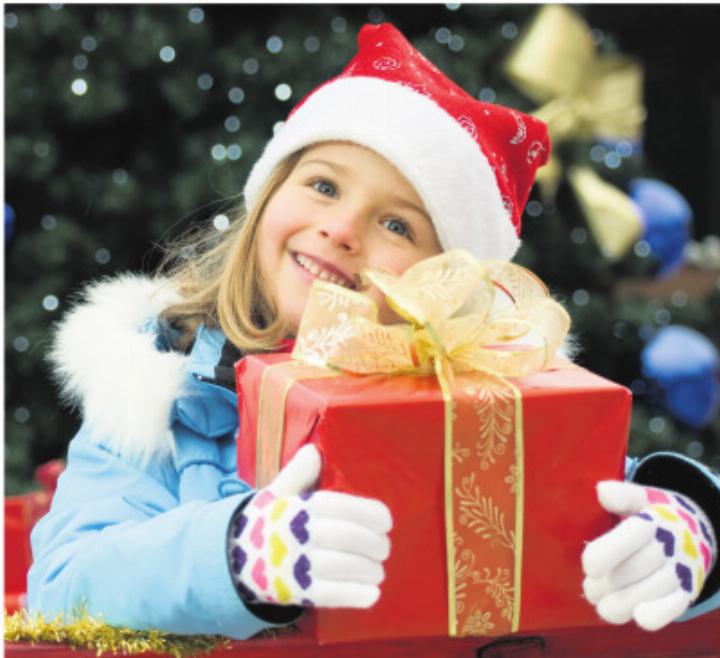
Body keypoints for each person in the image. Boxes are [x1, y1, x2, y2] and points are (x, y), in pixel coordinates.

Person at [29, 22, 719, 640]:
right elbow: (62, 583)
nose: (342, 230)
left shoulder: (485, 406)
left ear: (444, 280)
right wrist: (233, 553)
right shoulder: (159, 389)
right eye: (324, 186)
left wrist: (691, 528)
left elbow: (604, 500)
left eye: (398, 225)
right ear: (269, 194)